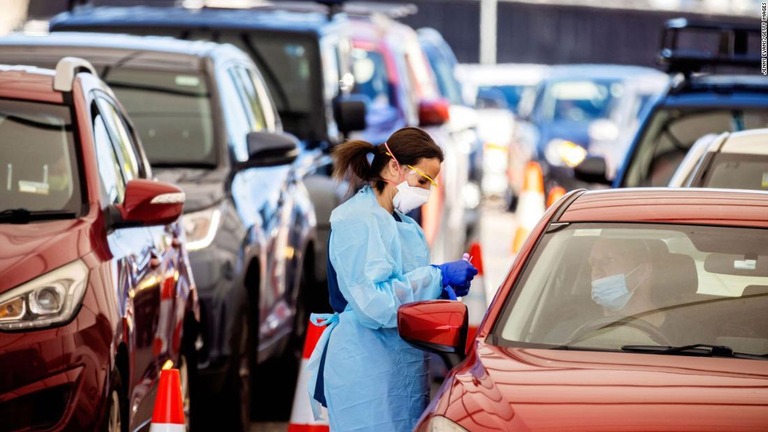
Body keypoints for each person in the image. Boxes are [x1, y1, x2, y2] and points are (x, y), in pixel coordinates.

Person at [305, 127, 478, 431]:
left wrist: (441, 295)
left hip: (400, 369)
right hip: (365, 371)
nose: (426, 190)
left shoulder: (405, 226)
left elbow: (407, 290)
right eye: (422, 180)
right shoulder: (357, 220)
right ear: (394, 167)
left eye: (431, 183)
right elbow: (375, 305)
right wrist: (437, 277)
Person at [586, 238, 697, 345]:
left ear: (643, 272)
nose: (596, 271)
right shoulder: (577, 330)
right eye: (593, 263)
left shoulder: (688, 337)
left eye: (609, 260)